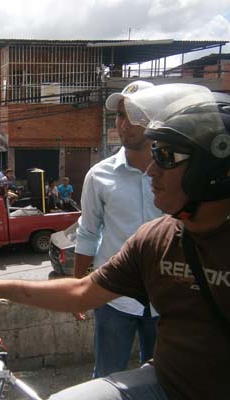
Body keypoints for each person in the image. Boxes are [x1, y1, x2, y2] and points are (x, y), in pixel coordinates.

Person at [0, 86, 230, 400]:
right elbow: (82, 292)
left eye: (167, 157)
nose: (151, 171)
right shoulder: (158, 236)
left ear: (214, 167)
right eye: (155, 153)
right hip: (165, 383)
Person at [74, 80, 161, 378]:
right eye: (120, 115)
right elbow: (87, 233)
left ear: (155, 118)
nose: (124, 123)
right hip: (113, 299)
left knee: (165, 379)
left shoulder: (174, 173)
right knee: (108, 379)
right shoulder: (99, 176)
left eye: (133, 114)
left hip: (165, 299)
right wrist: (78, 291)